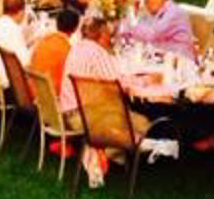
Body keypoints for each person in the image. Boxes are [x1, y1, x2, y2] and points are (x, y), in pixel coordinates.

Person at [61, 14, 149, 188]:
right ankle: (116, 154)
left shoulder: (76, 48)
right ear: (101, 36)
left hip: (69, 114)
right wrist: (145, 80)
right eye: (109, 36)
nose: (110, 40)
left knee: (133, 120)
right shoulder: (98, 53)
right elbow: (118, 84)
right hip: (89, 119)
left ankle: (112, 154)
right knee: (144, 123)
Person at [123, 0, 197, 60]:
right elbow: (135, 33)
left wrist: (131, 14)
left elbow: (150, 35)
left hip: (181, 61)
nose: (145, 3)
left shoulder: (173, 12)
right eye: (145, 1)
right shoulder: (157, 12)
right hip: (163, 58)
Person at [31, 7, 79, 89]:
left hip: (35, 92)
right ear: (75, 29)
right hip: (52, 97)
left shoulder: (42, 42)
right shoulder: (67, 50)